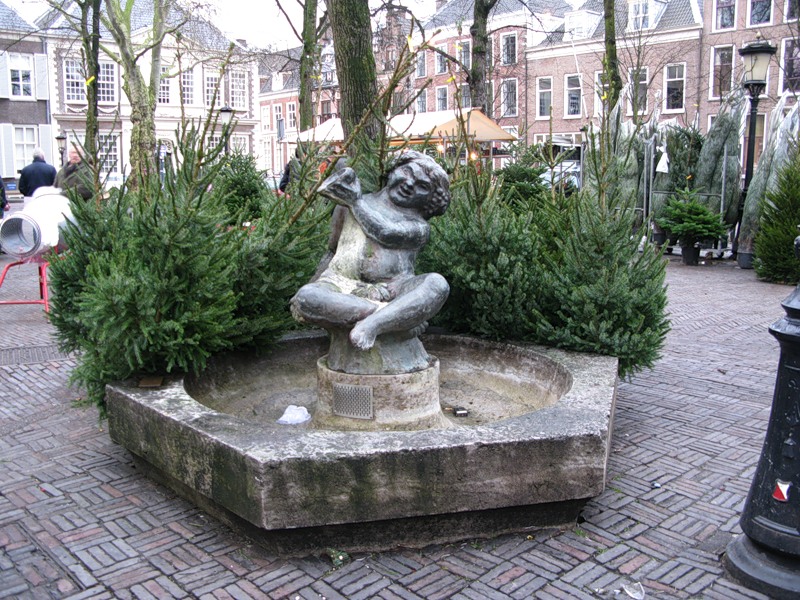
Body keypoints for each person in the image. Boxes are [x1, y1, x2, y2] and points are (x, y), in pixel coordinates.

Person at [291, 150, 451, 354]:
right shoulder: (347, 205)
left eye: (422, 186)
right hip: (343, 286)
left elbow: (386, 232)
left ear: (428, 199)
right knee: (307, 296)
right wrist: (313, 283)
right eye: (407, 172)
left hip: (396, 290)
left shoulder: (418, 226)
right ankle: (396, 317)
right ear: (393, 170)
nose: (410, 184)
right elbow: (332, 250)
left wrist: (355, 202)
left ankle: (372, 325)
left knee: (437, 284)